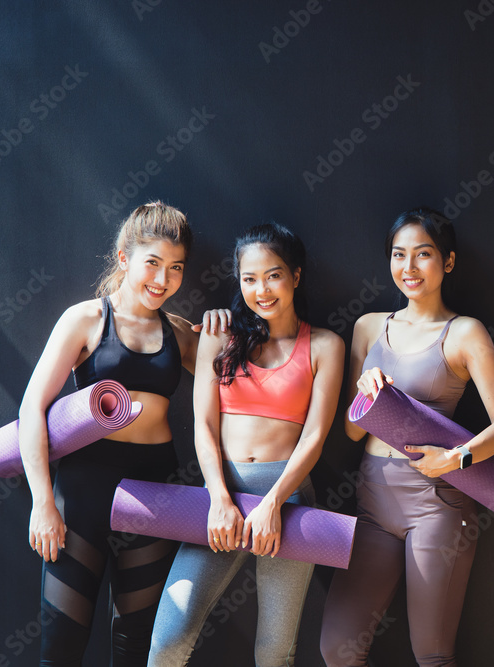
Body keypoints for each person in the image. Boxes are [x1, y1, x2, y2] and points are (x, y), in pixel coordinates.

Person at [320, 207, 494, 667]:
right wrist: (365, 391)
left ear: (447, 262)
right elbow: (352, 431)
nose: (408, 268)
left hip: (438, 500)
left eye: (423, 255)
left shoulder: (464, 332)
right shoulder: (369, 327)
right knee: (336, 648)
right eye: (398, 255)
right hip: (373, 497)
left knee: (431, 654)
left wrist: (457, 459)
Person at [147, 222, 344, 666]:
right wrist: (218, 497)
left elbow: (314, 436)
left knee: (275, 652)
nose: (262, 289)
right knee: (168, 639)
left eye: (273, 275)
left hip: (289, 500)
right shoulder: (221, 335)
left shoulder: (326, 346)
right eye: (249, 279)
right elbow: (202, 424)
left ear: (295, 275)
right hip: (221, 495)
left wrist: (274, 503)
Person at [19, 201, 205, 665]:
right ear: (124, 258)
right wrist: (42, 502)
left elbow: (240, 382)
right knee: (60, 647)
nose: (163, 280)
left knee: (135, 644)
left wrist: (221, 330)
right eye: (153, 264)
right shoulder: (85, 320)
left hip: (153, 495)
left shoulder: (180, 334)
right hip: (83, 494)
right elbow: (32, 409)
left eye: (176, 268)